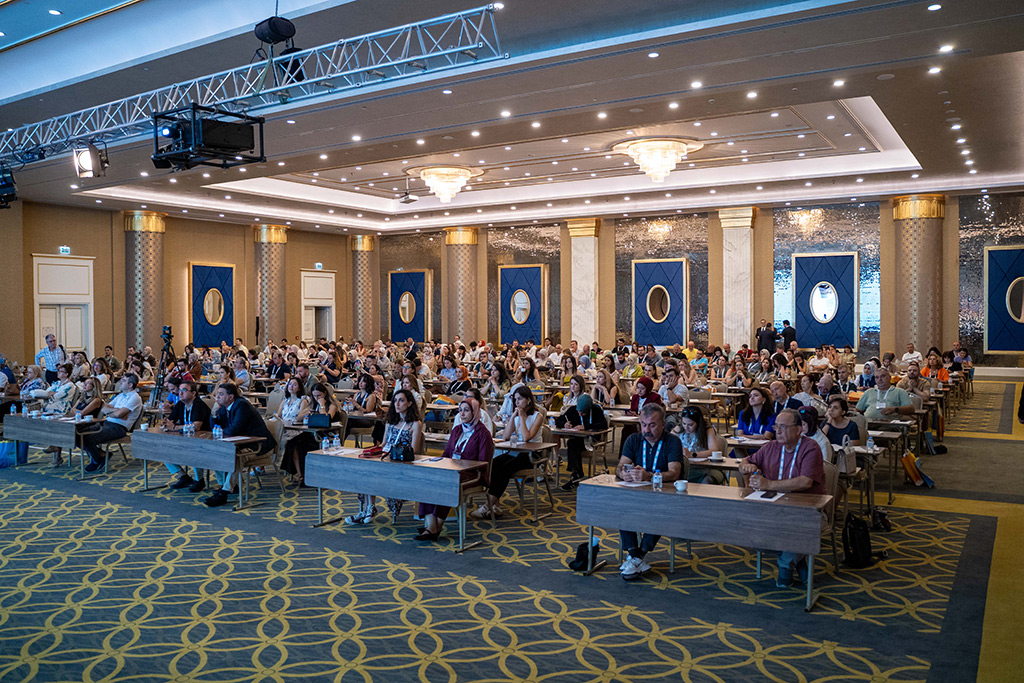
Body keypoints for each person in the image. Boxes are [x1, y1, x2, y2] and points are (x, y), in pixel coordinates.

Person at [738, 408, 824, 587]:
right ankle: (798, 560)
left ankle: (785, 565)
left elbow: (805, 482)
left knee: (794, 528)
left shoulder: (811, 447)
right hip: (774, 506)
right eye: (776, 426)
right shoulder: (771, 446)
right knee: (749, 526)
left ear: (798, 429)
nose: (778, 431)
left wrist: (769, 485)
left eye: (783, 427)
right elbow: (746, 461)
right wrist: (745, 466)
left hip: (806, 508)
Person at [615, 403, 686, 581]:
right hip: (637, 494)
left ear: (663, 424)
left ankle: (637, 556)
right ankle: (636, 556)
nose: (647, 430)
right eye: (643, 424)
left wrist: (649, 476)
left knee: (659, 510)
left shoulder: (673, 442)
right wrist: (623, 474)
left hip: (664, 496)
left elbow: (674, 473)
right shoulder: (633, 439)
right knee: (621, 504)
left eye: (652, 425)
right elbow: (619, 467)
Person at [416, 400, 494, 541]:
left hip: (473, 474)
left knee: (447, 483)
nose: (462, 414)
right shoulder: (457, 429)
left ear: (475, 412)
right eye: (460, 410)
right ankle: (432, 525)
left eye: (466, 410)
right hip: (451, 470)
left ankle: (435, 527)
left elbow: (483, 464)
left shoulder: (483, 434)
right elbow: (447, 454)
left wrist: (462, 467)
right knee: (427, 479)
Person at [345, 389, 423, 525]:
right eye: (395, 401)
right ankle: (368, 509)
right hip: (385, 458)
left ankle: (368, 510)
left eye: (401, 400)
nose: (397, 404)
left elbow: (413, 450)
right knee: (365, 470)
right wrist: (375, 452)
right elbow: (383, 443)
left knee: (371, 473)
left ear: (410, 403)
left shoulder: (415, 424)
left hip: (401, 463)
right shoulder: (390, 421)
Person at [472, 386, 545, 519]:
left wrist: (522, 418)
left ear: (528, 400)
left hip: (532, 455)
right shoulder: (516, 416)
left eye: (520, 399)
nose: (517, 402)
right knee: (494, 464)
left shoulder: (537, 416)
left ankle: (487, 506)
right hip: (517, 452)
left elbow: (527, 437)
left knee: (506, 468)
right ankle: (496, 505)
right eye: (515, 400)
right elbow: (505, 436)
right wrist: (513, 417)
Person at [205, 383, 278, 507]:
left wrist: (222, 431)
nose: (217, 397)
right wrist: (214, 414)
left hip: (259, 446)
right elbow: (215, 429)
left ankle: (224, 492)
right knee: (217, 452)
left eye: (221, 394)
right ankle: (226, 485)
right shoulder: (223, 407)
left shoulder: (242, 405)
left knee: (236, 457)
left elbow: (234, 430)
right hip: (241, 444)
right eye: (217, 394)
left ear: (231, 397)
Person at [82, 373, 144, 472]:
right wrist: (116, 411)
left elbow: (118, 414)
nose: (120, 382)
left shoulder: (135, 397)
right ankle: (102, 454)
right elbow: (104, 409)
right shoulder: (120, 395)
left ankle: (96, 460)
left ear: (130, 385)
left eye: (123, 381)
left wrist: (115, 412)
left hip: (119, 427)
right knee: (78, 434)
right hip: (107, 422)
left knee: (87, 439)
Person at [284, 382, 342, 487]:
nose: (317, 398)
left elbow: (326, 418)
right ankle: (301, 475)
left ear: (325, 394)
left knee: (302, 444)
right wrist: (306, 413)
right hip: (312, 433)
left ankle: (309, 474)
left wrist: (322, 405)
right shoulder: (313, 404)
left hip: (326, 434)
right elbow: (298, 418)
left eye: (319, 395)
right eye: (314, 396)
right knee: (292, 443)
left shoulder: (332, 405)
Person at [161, 381, 213, 491]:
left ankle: (199, 480)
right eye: (179, 390)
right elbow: (170, 421)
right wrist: (166, 423)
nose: (180, 393)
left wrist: (174, 427)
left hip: (204, 441)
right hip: (185, 438)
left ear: (193, 393)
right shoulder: (180, 404)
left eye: (184, 390)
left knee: (193, 451)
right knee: (163, 449)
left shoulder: (199, 404)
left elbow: (196, 426)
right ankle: (183, 476)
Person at [557, 393, 608, 490]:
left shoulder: (596, 410)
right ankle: (576, 472)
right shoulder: (573, 410)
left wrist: (586, 426)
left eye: (583, 413)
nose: (580, 414)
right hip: (578, 440)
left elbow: (603, 425)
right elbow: (559, 420)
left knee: (574, 445)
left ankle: (576, 474)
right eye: (579, 412)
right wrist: (564, 424)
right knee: (571, 443)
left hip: (592, 441)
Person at [674, 405, 727, 484]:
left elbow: (714, 450)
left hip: (707, 468)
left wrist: (693, 454)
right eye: (684, 423)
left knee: (707, 480)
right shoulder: (679, 429)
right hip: (687, 467)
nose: (686, 427)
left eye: (690, 425)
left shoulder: (708, 430)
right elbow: (667, 442)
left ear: (698, 423)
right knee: (675, 475)